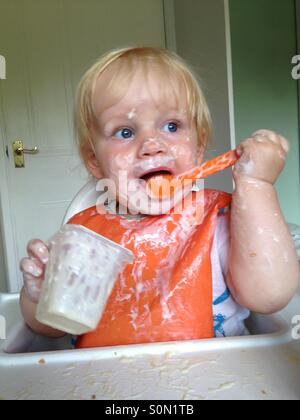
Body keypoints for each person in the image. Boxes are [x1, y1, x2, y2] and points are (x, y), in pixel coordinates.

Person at [19, 47, 299, 348]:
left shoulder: (221, 221)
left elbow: (270, 294)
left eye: (171, 126)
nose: (152, 145)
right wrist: (39, 298)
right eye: (125, 132)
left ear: (199, 146)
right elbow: (52, 328)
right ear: (94, 160)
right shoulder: (85, 236)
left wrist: (256, 185)